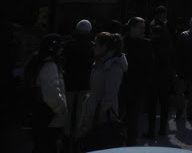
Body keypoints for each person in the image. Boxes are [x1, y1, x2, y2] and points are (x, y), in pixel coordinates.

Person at [79, 32, 128, 151]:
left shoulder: (114, 66)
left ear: (104, 47)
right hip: (92, 111)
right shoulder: (100, 61)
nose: (93, 47)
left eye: (95, 44)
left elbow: (110, 95)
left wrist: (99, 113)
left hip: (103, 117)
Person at [24, 33, 68, 153]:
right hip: (49, 115)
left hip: (38, 113)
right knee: (48, 146)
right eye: (60, 48)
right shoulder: (50, 65)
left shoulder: (37, 61)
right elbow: (51, 93)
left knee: (40, 145)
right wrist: (61, 109)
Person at [120, 17, 153, 145]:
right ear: (132, 28)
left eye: (144, 27)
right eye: (141, 27)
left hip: (137, 89)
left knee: (133, 122)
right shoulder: (121, 43)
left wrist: (145, 86)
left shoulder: (146, 44)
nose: (143, 30)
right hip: (121, 88)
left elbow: (150, 66)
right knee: (117, 118)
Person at [62, 19, 94, 153]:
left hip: (69, 82)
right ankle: (78, 140)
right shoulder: (92, 46)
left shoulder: (69, 45)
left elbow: (64, 62)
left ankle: (66, 138)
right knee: (81, 113)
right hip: (85, 83)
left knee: (67, 111)